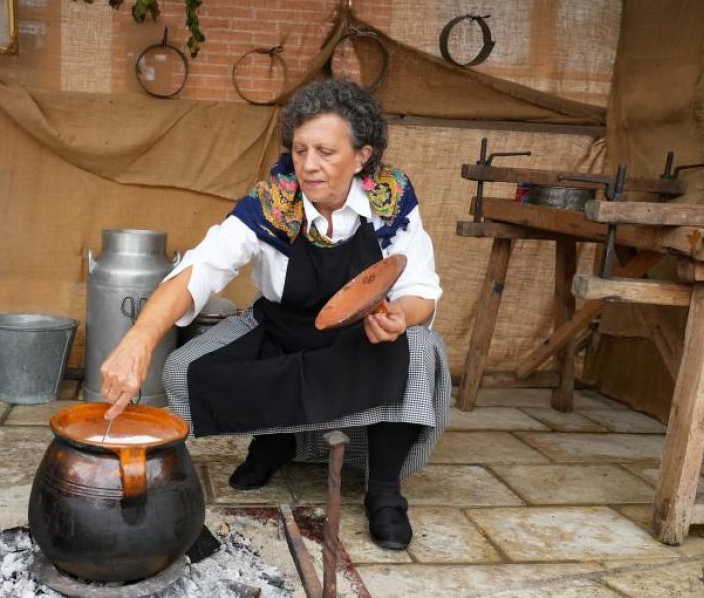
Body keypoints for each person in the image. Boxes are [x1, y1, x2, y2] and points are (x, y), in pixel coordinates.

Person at [99, 77, 450, 550]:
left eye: (325, 152)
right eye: (300, 150)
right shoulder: (272, 202)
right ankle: (276, 441)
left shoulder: (391, 198)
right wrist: (138, 341)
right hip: (281, 329)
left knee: (420, 347)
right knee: (183, 369)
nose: (309, 165)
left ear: (361, 156)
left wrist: (399, 317)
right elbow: (202, 266)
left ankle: (384, 489)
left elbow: (421, 289)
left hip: (360, 336)